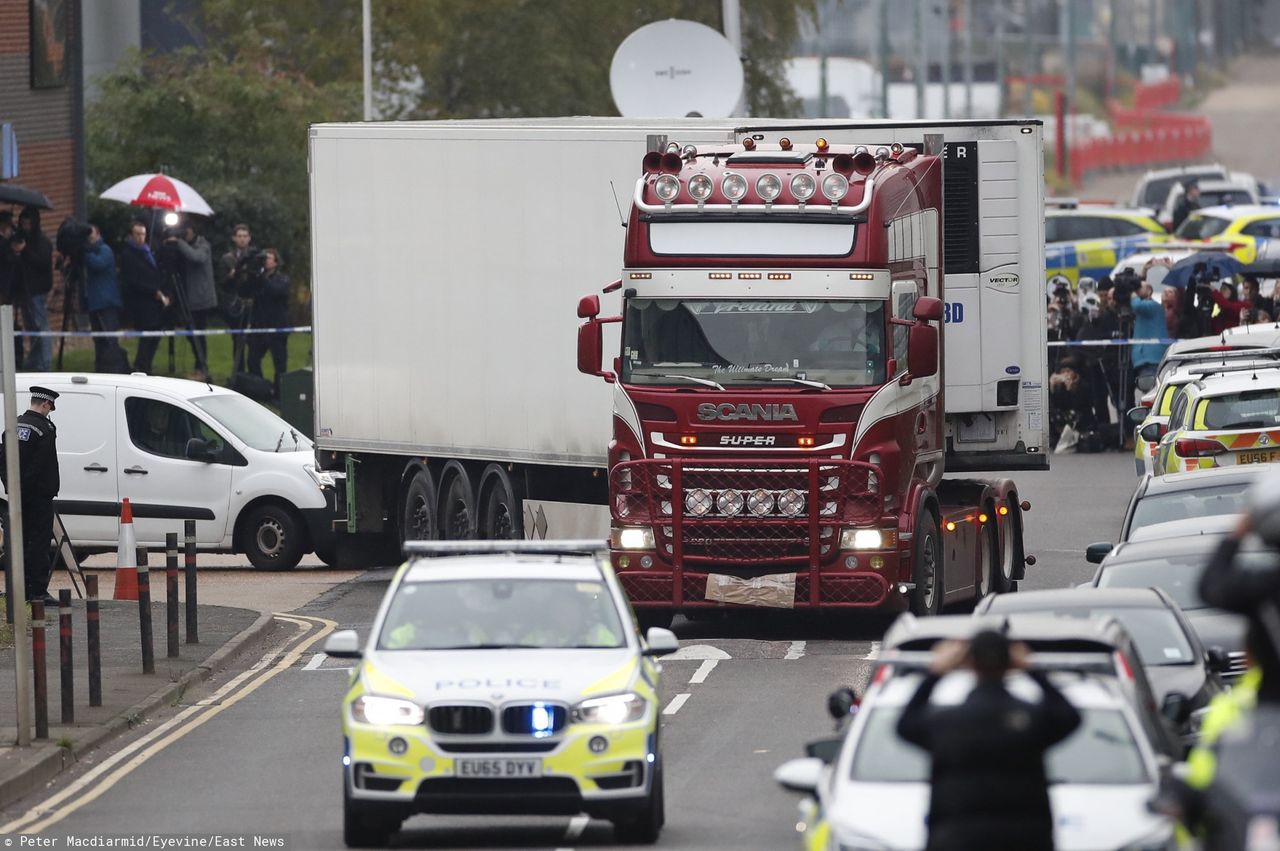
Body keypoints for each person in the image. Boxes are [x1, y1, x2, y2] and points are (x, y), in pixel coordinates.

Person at [896, 631, 1082, 851]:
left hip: (958, 840)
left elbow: (905, 725)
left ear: (970, 663)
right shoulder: (1030, 720)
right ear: (1010, 664)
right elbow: (1069, 717)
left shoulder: (947, 723)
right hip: (1024, 841)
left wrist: (935, 673)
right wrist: (1033, 671)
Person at [0, 387, 61, 607]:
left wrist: (11, 488)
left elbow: (3, 459)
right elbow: (39, 465)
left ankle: (17, 589)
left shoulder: (12, 425)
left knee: (17, 542)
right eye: (50, 408)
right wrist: (28, 488)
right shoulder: (45, 428)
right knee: (38, 543)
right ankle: (37, 592)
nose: (49, 412)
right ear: (45, 405)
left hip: (17, 496)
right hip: (38, 496)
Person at [164, 220, 218, 379]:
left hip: (201, 300)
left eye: (184, 232)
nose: (182, 234)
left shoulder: (203, 245)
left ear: (192, 230)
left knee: (198, 334)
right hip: (188, 298)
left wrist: (178, 242)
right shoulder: (184, 245)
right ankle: (199, 366)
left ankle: (202, 368)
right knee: (191, 334)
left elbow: (196, 258)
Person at [118, 220, 170, 375]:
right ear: (131, 235)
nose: (141, 237)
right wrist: (153, 291)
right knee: (146, 336)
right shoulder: (128, 254)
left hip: (155, 302)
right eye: (137, 234)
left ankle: (147, 364)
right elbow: (133, 280)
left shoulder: (149, 251)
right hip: (142, 302)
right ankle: (141, 365)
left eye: (143, 234)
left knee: (155, 336)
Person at [82, 225, 131, 374]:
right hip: (95, 303)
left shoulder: (105, 250)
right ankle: (101, 367)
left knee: (109, 339)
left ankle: (114, 367)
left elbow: (98, 264)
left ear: (98, 234)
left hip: (107, 303)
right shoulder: (90, 251)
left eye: (91, 233)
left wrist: (84, 253)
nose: (89, 237)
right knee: (98, 339)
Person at [247, 248, 290, 397]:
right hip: (259, 326)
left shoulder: (282, 279)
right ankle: (260, 389)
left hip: (277, 327)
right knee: (253, 359)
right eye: (264, 258)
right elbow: (246, 291)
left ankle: (279, 393)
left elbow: (276, 291)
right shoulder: (258, 278)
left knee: (280, 363)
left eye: (269, 258)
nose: (266, 260)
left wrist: (262, 278)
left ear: (276, 262)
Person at [16, 206, 53, 371]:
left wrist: (25, 251)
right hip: (25, 289)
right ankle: (35, 360)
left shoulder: (42, 242)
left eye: (28, 223)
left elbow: (43, 263)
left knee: (41, 326)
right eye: (23, 223)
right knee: (31, 327)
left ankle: (44, 362)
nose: (25, 226)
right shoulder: (24, 239)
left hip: (38, 289)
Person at [217, 223, 255, 369]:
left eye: (245, 236)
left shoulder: (254, 257)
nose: (242, 240)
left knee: (253, 341)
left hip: (253, 302)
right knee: (238, 341)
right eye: (239, 236)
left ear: (249, 238)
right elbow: (222, 284)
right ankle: (239, 374)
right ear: (234, 238)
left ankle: (252, 376)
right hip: (236, 303)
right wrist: (232, 275)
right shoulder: (227, 258)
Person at [1130, 279, 1170, 408]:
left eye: (1139, 288)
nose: (1136, 291)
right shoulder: (1146, 308)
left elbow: (1137, 305)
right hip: (1146, 360)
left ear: (1149, 291)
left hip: (1150, 360)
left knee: (1152, 395)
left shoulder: (1152, 307)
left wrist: (1132, 294)